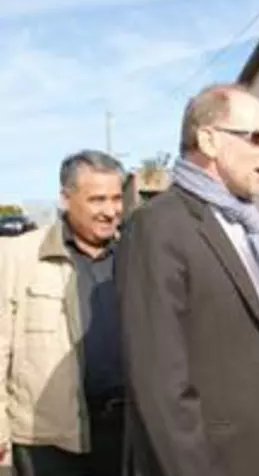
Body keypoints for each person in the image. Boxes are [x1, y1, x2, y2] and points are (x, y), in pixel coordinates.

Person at [115, 83, 259, 476]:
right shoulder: (158, 227)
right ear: (208, 139)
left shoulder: (251, 226)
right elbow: (161, 386)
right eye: (257, 138)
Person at [0, 150, 126, 476]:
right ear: (66, 198)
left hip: (124, 434)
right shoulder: (18, 256)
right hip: (47, 442)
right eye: (98, 200)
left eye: (116, 198)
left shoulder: (134, 255)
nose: (110, 211)